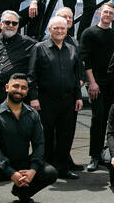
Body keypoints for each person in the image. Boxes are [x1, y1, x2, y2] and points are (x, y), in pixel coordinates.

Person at [0, 73, 58, 203]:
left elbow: (39, 144)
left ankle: (22, 192)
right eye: (15, 86)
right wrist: (11, 173)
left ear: (27, 91)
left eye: (23, 88)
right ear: (7, 87)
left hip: (22, 162)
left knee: (50, 172)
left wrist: (33, 170)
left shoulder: (33, 115)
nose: (19, 90)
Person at [28, 16, 84, 180]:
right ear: (49, 30)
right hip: (46, 100)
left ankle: (62, 168)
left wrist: (79, 97)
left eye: (63, 28)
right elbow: (31, 76)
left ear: (67, 30)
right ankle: (43, 168)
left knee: (65, 136)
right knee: (44, 136)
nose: (59, 31)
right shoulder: (39, 48)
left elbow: (76, 77)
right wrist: (33, 98)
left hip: (68, 100)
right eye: (56, 28)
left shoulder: (72, 49)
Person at [80, 3, 114, 172]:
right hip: (96, 83)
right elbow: (85, 59)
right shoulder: (88, 33)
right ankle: (94, 157)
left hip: (110, 82)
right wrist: (92, 82)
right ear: (99, 13)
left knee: (107, 120)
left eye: (111, 13)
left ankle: (103, 153)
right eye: (105, 12)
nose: (108, 15)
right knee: (97, 119)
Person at [46, 6, 85, 171]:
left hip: (69, 95)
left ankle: (64, 161)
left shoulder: (74, 42)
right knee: (49, 133)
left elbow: (79, 66)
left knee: (66, 132)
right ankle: (48, 164)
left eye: (69, 18)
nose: (68, 20)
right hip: (49, 96)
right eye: (63, 17)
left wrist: (80, 81)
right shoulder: (44, 44)